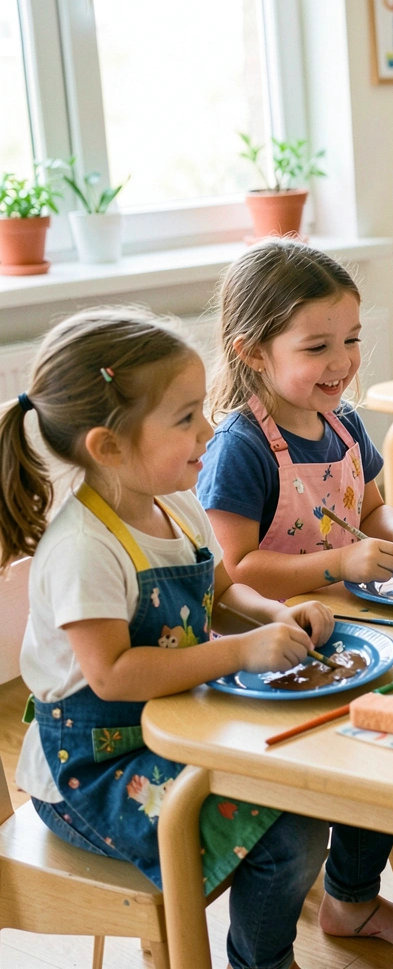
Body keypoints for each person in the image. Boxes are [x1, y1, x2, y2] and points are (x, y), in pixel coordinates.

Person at [0, 309, 335, 969]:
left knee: (312, 781)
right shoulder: (82, 548)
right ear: (108, 446)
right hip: (90, 776)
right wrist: (240, 651)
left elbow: (219, 594)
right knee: (290, 824)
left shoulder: (175, 499)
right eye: (185, 418)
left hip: (174, 724)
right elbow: (113, 675)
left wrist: (274, 616)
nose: (209, 430)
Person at [197, 239, 393, 952]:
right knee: (319, 799)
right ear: (252, 351)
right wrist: (340, 562)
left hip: (356, 633)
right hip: (270, 649)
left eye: (352, 339)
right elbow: (235, 569)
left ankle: (350, 900)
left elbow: (373, 511)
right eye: (318, 346)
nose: (342, 361)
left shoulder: (342, 420)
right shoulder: (241, 447)